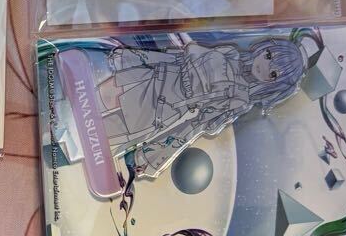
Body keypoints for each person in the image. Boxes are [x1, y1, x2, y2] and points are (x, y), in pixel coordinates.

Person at [91, 34, 307, 179]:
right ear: (265, 48)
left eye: (273, 73)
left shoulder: (239, 100)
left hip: (159, 110)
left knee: (96, 137)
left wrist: (152, 156)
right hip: (152, 75)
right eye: (269, 55)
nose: (264, 65)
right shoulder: (230, 52)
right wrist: (134, 57)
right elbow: (177, 57)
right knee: (88, 99)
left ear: (274, 84)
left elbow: (194, 126)